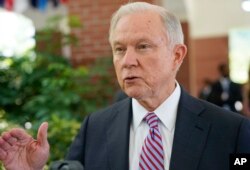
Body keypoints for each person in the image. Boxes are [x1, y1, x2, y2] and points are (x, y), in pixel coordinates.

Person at [1, 2, 250, 170]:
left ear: (177, 55)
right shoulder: (95, 128)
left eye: (143, 46)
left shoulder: (232, 131)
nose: (128, 61)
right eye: (119, 49)